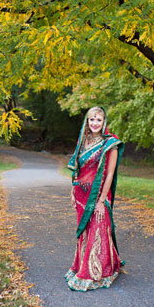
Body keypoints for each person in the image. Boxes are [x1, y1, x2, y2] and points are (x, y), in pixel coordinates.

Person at [65, 106, 124, 291]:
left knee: (98, 231)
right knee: (85, 232)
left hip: (98, 196)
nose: (95, 123)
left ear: (104, 121)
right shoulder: (83, 140)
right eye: (92, 119)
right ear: (87, 121)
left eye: (98, 120)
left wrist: (100, 201)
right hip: (81, 195)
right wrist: (72, 191)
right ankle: (82, 265)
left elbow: (109, 174)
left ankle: (98, 272)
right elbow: (76, 168)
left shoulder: (110, 144)